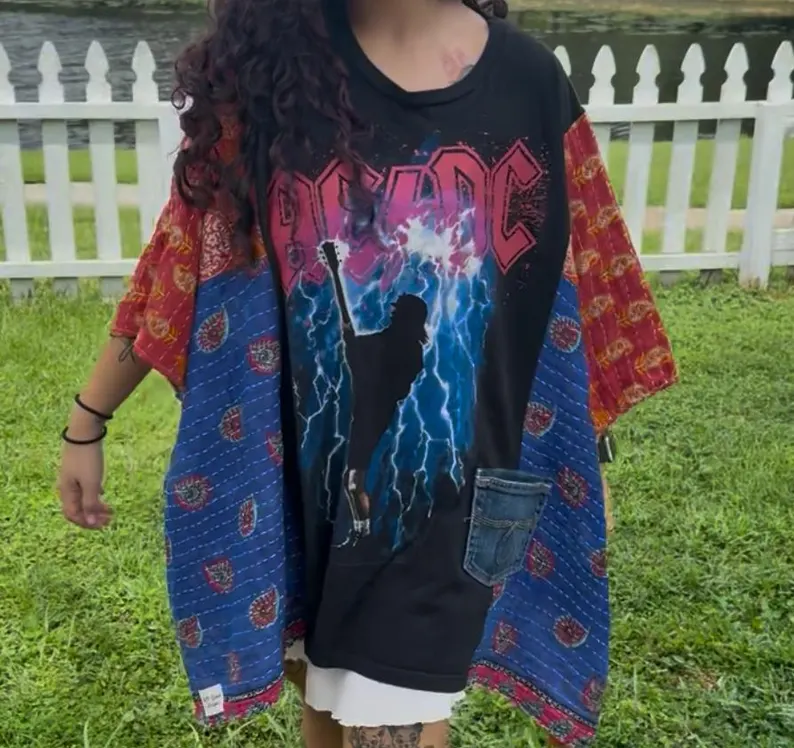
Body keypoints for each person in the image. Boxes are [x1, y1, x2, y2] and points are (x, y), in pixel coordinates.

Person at [57, 0, 677, 746]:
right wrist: (88, 419)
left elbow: (576, 295)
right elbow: (179, 272)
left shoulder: (528, 86)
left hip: (437, 503)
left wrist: (586, 451)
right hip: (292, 495)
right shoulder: (266, 80)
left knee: (386, 713)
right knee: (327, 698)